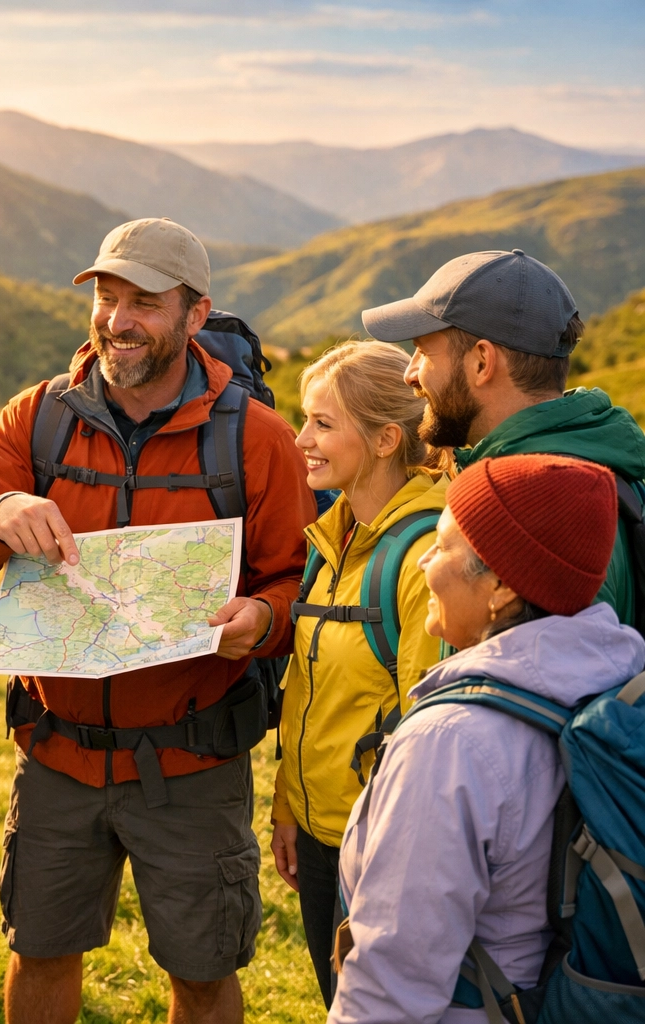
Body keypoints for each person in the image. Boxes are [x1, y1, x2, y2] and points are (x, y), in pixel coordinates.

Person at [0, 217, 314, 1024]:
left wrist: (264, 618)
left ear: (195, 314)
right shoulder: (37, 418)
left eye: (144, 301)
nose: (117, 319)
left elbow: (296, 583)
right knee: (38, 953)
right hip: (58, 755)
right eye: (106, 296)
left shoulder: (258, 439)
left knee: (203, 973)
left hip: (193, 764)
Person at [329, 453, 645, 1023]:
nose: (423, 558)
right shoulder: (617, 677)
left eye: (443, 544)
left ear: (501, 587)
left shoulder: (449, 744)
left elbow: (393, 985)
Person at [270, 340, 445, 1008]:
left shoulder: (424, 554)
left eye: (322, 423)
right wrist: (289, 804)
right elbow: (314, 689)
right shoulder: (334, 536)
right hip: (320, 840)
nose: (300, 439)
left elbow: (430, 730)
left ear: (384, 439)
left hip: (382, 852)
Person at [362, 248, 645, 623]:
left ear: (482, 362)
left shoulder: (536, 509)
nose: (409, 374)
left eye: (423, 353)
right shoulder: (600, 459)